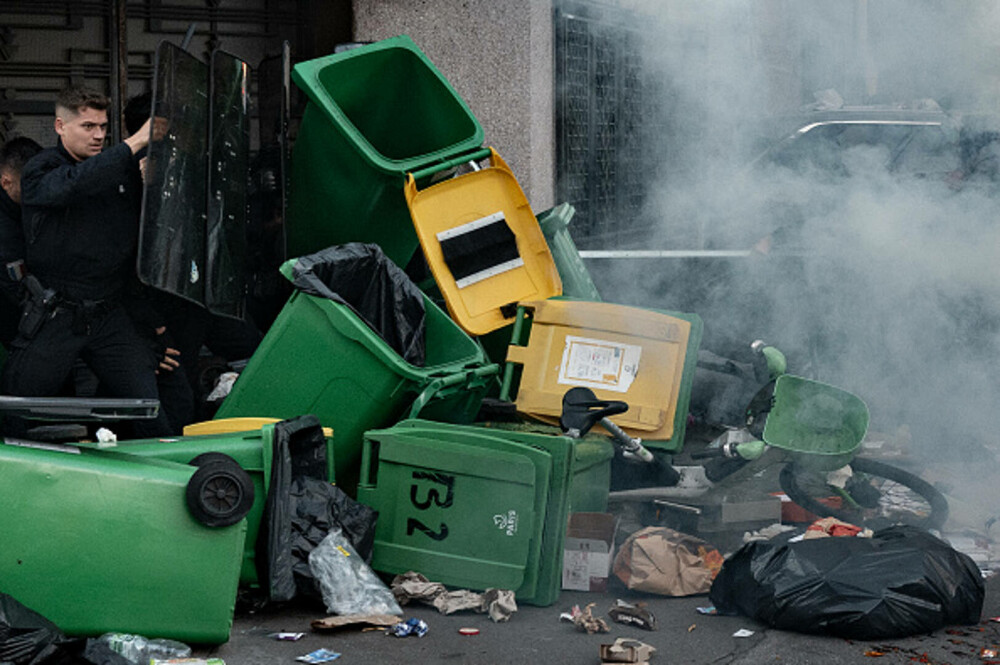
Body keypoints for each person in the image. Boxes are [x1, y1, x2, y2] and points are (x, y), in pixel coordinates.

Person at [0, 86, 172, 437]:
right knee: (13, 412)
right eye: (88, 126)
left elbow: (134, 246)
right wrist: (133, 143)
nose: (98, 136)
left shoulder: (117, 170)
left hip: (108, 313)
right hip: (56, 313)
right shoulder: (41, 170)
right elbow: (73, 186)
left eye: (103, 127)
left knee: (147, 410)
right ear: (60, 126)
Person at [0, 137, 42, 347]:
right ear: (6, 182)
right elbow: (15, 289)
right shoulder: (6, 231)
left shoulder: (25, 208)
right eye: (27, 184)